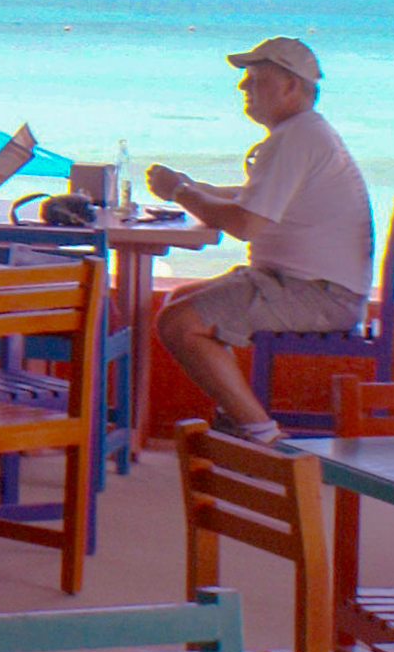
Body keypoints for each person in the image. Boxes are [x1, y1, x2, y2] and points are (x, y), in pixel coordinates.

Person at [145, 37, 373, 445]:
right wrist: (202, 190)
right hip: (312, 287)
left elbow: (244, 225)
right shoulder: (305, 134)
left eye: (254, 78)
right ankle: (238, 416)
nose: (242, 88)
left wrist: (180, 192)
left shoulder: (296, 139)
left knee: (178, 323)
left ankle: (261, 435)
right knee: (179, 302)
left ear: (289, 86)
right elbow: (258, 198)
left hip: (317, 295)